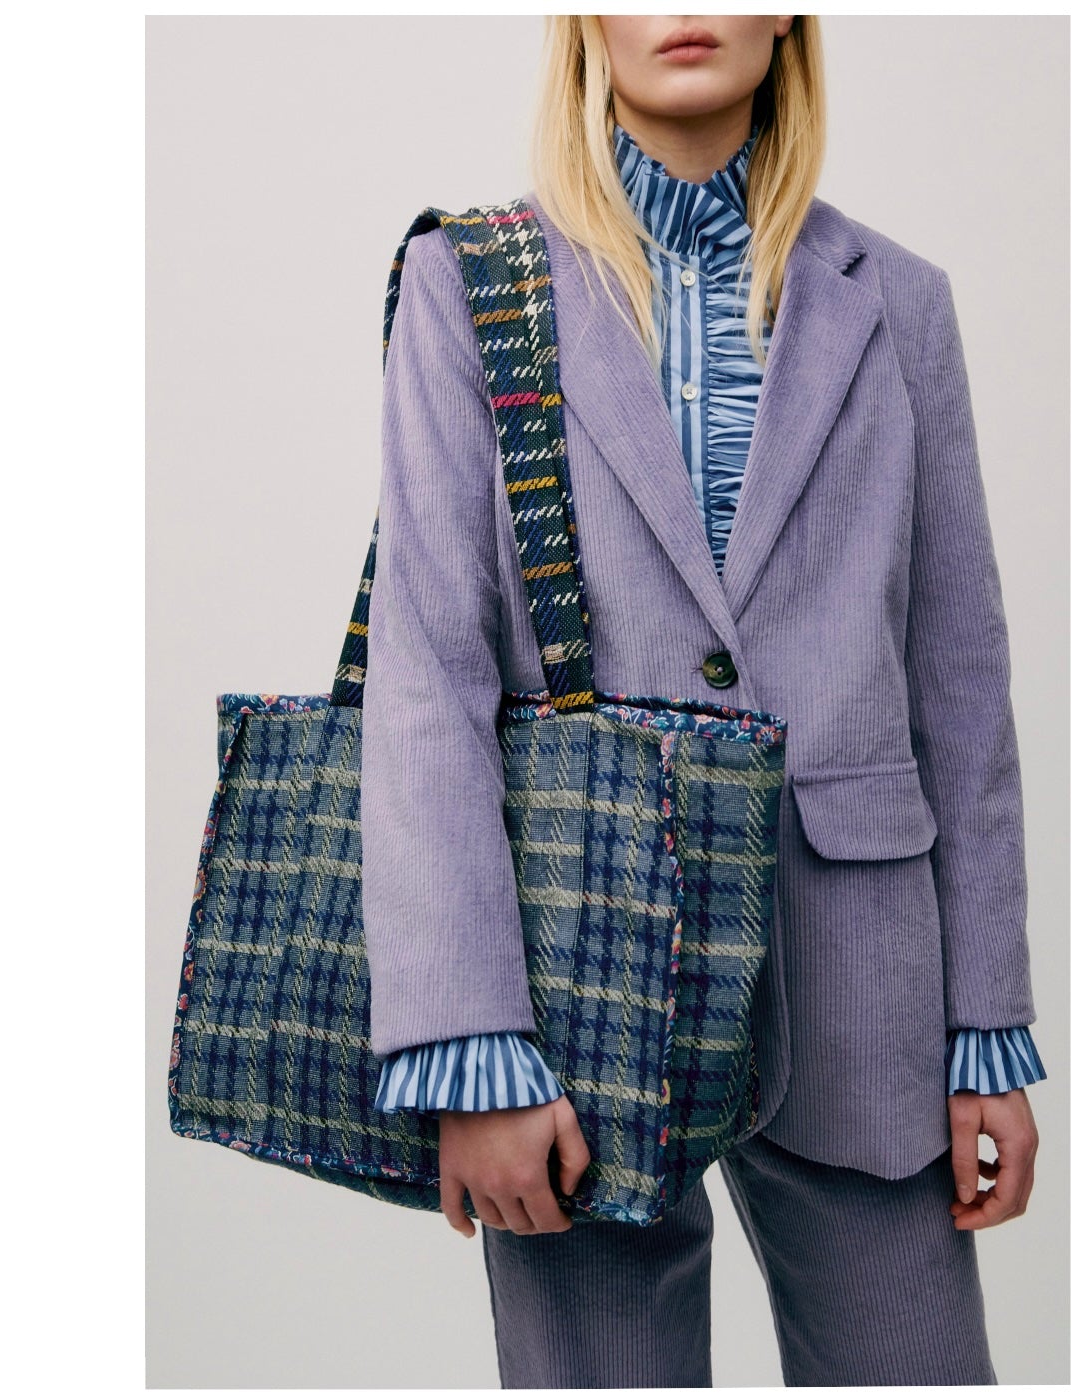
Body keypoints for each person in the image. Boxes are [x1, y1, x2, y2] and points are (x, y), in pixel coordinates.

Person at [358, 16, 1045, 1386]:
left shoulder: (893, 297)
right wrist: (468, 1041)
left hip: (861, 973)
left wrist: (988, 1021)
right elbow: (427, 671)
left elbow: (958, 681)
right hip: (573, 974)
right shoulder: (474, 280)